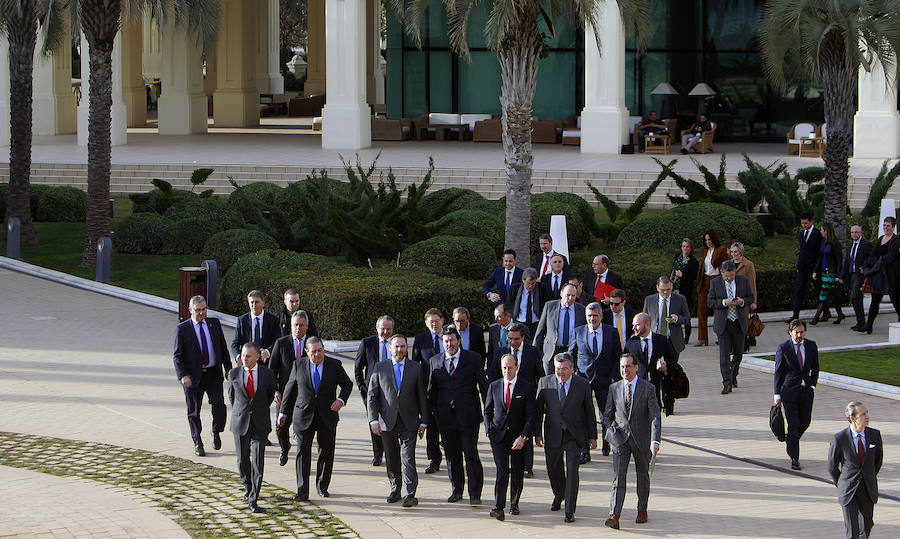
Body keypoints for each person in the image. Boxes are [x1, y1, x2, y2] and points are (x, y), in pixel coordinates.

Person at [278, 337, 353, 500]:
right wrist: (283, 413)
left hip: (327, 415)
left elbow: (347, 384)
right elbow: (289, 390)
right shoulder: (298, 365)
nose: (318, 355)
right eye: (314, 352)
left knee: (326, 452)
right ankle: (302, 490)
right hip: (303, 416)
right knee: (302, 452)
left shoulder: (334, 365)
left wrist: (340, 400)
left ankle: (322, 486)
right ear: (307, 352)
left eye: (320, 351)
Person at [428, 326, 488, 505]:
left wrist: (489, 412)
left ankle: (475, 494)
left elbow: (484, 387)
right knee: (452, 457)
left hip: (469, 417)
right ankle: (457, 490)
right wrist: (431, 416)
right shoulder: (435, 361)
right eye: (446, 341)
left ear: (459, 341)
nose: (449, 344)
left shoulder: (473, 359)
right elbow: (431, 391)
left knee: (471, 455)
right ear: (442, 342)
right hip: (446, 418)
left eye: (452, 340)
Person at [534, 353, 597, 523]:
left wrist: (592, 436)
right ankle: (559, 495)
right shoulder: (545, 382)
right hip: (553, 433)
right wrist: (537, 433)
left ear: (572, 368)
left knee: (572, 471)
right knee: (553, 469)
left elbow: (589, 412)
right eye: (557, 369)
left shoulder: (582, 385)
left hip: (574, 435)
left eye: (564, 369)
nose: (560, 372)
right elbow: (538, 411)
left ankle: (570, 510)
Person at [367, 334, 428, 508]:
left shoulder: (415, 368)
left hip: (409, 420)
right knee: (392, 457)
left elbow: (422, 396)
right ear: (390, 348)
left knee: (408, 457)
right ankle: (395, 488)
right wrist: (373, 420)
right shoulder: (380, 367)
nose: (399, 350)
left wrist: (424, 421)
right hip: (387, 421)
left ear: (406, 348)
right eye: (396, 347)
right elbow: (372, 396)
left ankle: (410, 493)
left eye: (402, 346)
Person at [603, 353, 661, 530]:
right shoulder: (614, 388)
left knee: (642, 476)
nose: (625, 370)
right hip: (620, 440)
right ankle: (615, 515)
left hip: (641, 440)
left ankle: (642, 509)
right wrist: (611, 433)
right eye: (622, 367)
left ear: (637, 367)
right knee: (618, 478)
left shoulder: (648, 388)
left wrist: (655, 440)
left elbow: (655, 416)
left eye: (628, 366)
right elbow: (607, 415)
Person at [173, 295, 232, 456]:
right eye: (198, 310)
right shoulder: (183, 329)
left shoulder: (214, 324)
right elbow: (177, 355)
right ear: (190, 310)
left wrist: (228, 368)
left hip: (213, 374)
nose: (201, 313)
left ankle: (216, 431)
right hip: (193, 377)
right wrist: (183, 375)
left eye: (203, 309)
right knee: (194, 411)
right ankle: (197, 441)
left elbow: (223, 348)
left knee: (219, 406)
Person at [484, 353, 536, 521]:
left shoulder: (526, 387)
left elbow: (531, 416)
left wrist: (523, 437)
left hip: (518, 438)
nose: (507, 371)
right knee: (502, 470)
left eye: (510, 368)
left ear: (517, 368)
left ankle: (514, 503)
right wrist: (488, 430)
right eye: (504, 368)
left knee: (517, 471)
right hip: (498, 436)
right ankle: (499, 506)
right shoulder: (494, 386)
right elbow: (487, 410)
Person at [488, 322, 543, 478]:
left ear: (523, 337)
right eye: (510, 339)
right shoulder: (501, 352)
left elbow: (540, 375)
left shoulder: (533, 352)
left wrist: (540, 398)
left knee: (526, 430)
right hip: (506, 398)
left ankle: (528, 466)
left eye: (516, 339)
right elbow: (493, 374)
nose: (513, 342)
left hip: (527, 398)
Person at [227, 342, 276, 513]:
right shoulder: (233, 374)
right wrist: (242, 412)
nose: (244, 359)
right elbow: (232, 399)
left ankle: (254, 497)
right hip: (240, 422)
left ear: (257, 356)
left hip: (260, 423)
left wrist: (258, 410)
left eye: (248, 356)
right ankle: (247, 487)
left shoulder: (267, 374)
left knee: (257, 461)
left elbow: (270, 395)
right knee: (242, 460)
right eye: (242, 355)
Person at [828, 401, 883, 539]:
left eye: (867, 412)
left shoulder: (875, 435)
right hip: (849, 490)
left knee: (867, 527)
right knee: (852, 532)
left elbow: (877, 461)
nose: (867, 416)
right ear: (853, 418)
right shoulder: (839, 438)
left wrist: (868, 476)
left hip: (867, 490)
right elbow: (832, 467)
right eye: (863, 414)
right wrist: (842, 483)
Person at [573, 303, 621, 460]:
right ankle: (584, 450)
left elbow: (617, 356)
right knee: (583, 414)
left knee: (606, 412)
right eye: (589, 316)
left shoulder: (611, 332)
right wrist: (574, 374)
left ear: (601, 316)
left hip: (605, 378)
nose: (592, 319)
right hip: (583, 379)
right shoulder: (578, 331)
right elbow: (571, 354)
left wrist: (614, 377)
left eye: (595, 315)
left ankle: (608, 440)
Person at [774, 319, 819, 470]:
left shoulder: (811, 346)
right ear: (790, 332)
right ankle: (795, 457)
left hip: (806, 391)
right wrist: (777, 394)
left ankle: (790, 441)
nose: (799, 335)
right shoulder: (783, 348)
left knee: (805, 422)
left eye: (802, 332)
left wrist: (812, 384)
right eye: (796, 332)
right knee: (793, 425)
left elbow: (816, 367)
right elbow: (778, 372)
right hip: (789, 393)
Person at [269, 311, 311, 466]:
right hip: (285, 394)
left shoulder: (312, 345)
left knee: (303, 432)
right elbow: (272, 369)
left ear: (307, 326)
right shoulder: (281, 343)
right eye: (295, 325)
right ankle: (284, 448)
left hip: (305, 395)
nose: (298, 328)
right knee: (280, 427)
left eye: (301, 325)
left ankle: (302, 460)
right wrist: (275, 390)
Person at [354, 315, 394, 467]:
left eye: (388, 329)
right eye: (383, 328)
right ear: (377, 328)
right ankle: (378, 454)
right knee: (374, 422)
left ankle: (391, 451)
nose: (385, 332)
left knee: (391, 422)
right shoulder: (367, 343)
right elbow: (358, 368)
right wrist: (363, 389)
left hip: (391, 390)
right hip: (372, 391)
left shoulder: (396, 342)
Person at [708, 260, 754, 394]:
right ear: (721, 273)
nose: (729, 278)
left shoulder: (743, 281)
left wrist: (742, 302)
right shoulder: (715, 283)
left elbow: (751, 297)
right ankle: (726, 383)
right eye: (726, 276)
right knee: (724, 355)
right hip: (724, 323)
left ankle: (733, 375)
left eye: (731, 275)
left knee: (738, 354)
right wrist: (723, 302)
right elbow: (710, 301)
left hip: (738, 322)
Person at [411, 308, 445, 474]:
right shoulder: (420, 339)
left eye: (436, 320)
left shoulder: (449, 337)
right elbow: (415, 364)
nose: (434, 324)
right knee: (430, 427)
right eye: (430, 321)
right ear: (426, 323)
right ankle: (434, 460)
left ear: (442, 321)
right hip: (428, 390)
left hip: (447, 389)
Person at [624, 313, 676, 415]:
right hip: (638, 387)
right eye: (633, 325)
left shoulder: (662, 340)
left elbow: (672, 359)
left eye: (637, 325)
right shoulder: (631, 342)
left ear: (647, 325)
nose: (634, 328)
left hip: (656, 386)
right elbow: (624, 362)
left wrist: (665, 365)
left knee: (655, 417)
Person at [533, 284, 587, 372]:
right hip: (551, 352)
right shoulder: (550, 306)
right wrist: (535, 352)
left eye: (573, 295)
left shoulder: (581, 310)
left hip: (571, 352)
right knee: (550, 381)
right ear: (561, 293)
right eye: (568, 295)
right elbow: (540, 330)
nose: (570, 298)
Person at [863, 216, 900, 334]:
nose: (885, 228)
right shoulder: (880, 239)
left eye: (888, 226)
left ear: (893, 227)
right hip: (880, 275)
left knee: (896, 300)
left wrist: (877, 264)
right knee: (875, 300)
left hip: (892, 275)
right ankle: (868, 325)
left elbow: (891, 256)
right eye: (884, 225)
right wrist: (867, 265)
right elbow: (873, 254)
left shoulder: (896, 239)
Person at [642, 275, 691, 361]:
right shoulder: (649, 300)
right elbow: (644, 319)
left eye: (668, 289)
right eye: (662, 290)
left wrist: (677, 319)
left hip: (672, 341)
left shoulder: (680, 299)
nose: (665, 292)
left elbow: (687, 318)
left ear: (672, 286)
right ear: (657, 287)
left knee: (672, 369)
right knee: (655, 370)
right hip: (655, 340)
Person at [786, 213, 823, 323]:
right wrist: (799, 266)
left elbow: (819, 253)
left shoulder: (817, 234)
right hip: (803, 268)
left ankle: (825, 311)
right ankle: (795, 315)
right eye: (802, 223)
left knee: (818, 290)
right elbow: (802, 251)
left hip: (813, 268)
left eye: (806, 223)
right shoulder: (802, 233)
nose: (804, 225)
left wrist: (816, 269)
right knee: (799, 290)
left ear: (811, 222)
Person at [695, 229, 729, 347]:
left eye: (710, 239)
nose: (708, 242)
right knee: (701, 310)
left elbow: (728, 262)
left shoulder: (721, 250)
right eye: (706, 240)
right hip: (705, 280)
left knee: (718, 311)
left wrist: (719, 268)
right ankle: (702, 338)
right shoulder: (705, 251)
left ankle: (722, 336)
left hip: (715, 281)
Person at [838, 225, 873, 332]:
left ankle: (862, 322)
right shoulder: (850, 245)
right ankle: (860, 322)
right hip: (852, 274)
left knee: (854, 297)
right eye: (852, 232)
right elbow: (847, 262)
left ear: (861, 233)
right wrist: (842, 276)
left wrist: (866, 268)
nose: (854, 234)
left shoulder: (866, 245)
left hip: (860, 275)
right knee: (856, 299)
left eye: (856, 232)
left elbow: (872, 258)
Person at [232, 290, 281, 364]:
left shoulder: (273, 320)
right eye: (252, 302)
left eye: (257, 302)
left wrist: (267, 351)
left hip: (266, 362)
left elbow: (278, 341)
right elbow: (235, 343)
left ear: (263, 303)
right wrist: (238, 356)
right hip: (248, 362)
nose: (254, 305)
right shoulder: (242, 320)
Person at [811, 223, 845, 325]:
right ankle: (840, 314)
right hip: (824, 273)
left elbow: (839, 261)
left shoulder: (835, 244)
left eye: (822, 230)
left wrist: (839, 275)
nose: (821, 232)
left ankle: (816, 318)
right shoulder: (824, 242)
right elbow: (820, 258)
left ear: (826, 231)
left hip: (831, 273)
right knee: (830, 295)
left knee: (824, 295)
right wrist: (815, 270)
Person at [730, 242, 759, 350]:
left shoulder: (748, 265)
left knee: (743, 322)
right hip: (732, 298)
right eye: (732, 252)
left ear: (741, 252)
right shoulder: (729, 264)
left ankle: (744, 344)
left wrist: (754, 301)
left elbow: (752, 283)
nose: (734, 254)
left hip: (744, 299)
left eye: (736, 252)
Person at [671, 238, 699, 344]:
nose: (685, 248)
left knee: (685, 313)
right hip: (674, 287)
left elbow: (693, 277)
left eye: (687, 246)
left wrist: (683, 275)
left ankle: (687, 336)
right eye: (683, 246)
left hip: (686, 290)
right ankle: (674, 334)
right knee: (673, 312)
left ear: (691, 248)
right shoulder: (677, 257)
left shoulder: (693, 262)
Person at [506, 268, 546, 337]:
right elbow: (509, 305)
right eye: (528, 283)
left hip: (536, 323)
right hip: (520, 323)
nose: (530, 286)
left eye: (533, 284)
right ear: (523, 280)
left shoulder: (542, 289)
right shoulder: (515, 288)